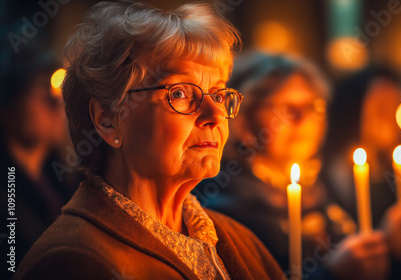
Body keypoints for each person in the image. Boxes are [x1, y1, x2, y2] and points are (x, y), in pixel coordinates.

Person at [13, 2, 283, 280]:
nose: (215, 114)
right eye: (180, 93)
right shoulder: (72, 262)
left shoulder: (238, 238)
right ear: (108, 118)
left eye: (217, 94)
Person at [195, 51, 390, 280]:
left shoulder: (323, 190)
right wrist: (332, 274)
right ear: (244, 122)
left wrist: (392, 247)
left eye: (312, 106)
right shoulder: (224, 214)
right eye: (286, 108)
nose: (303, 118)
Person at [0, 29, 78, 280]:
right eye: (41, 89)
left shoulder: (62, 180)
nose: (55, 103)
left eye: (57, 92)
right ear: (7, 102)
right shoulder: (8, 192)